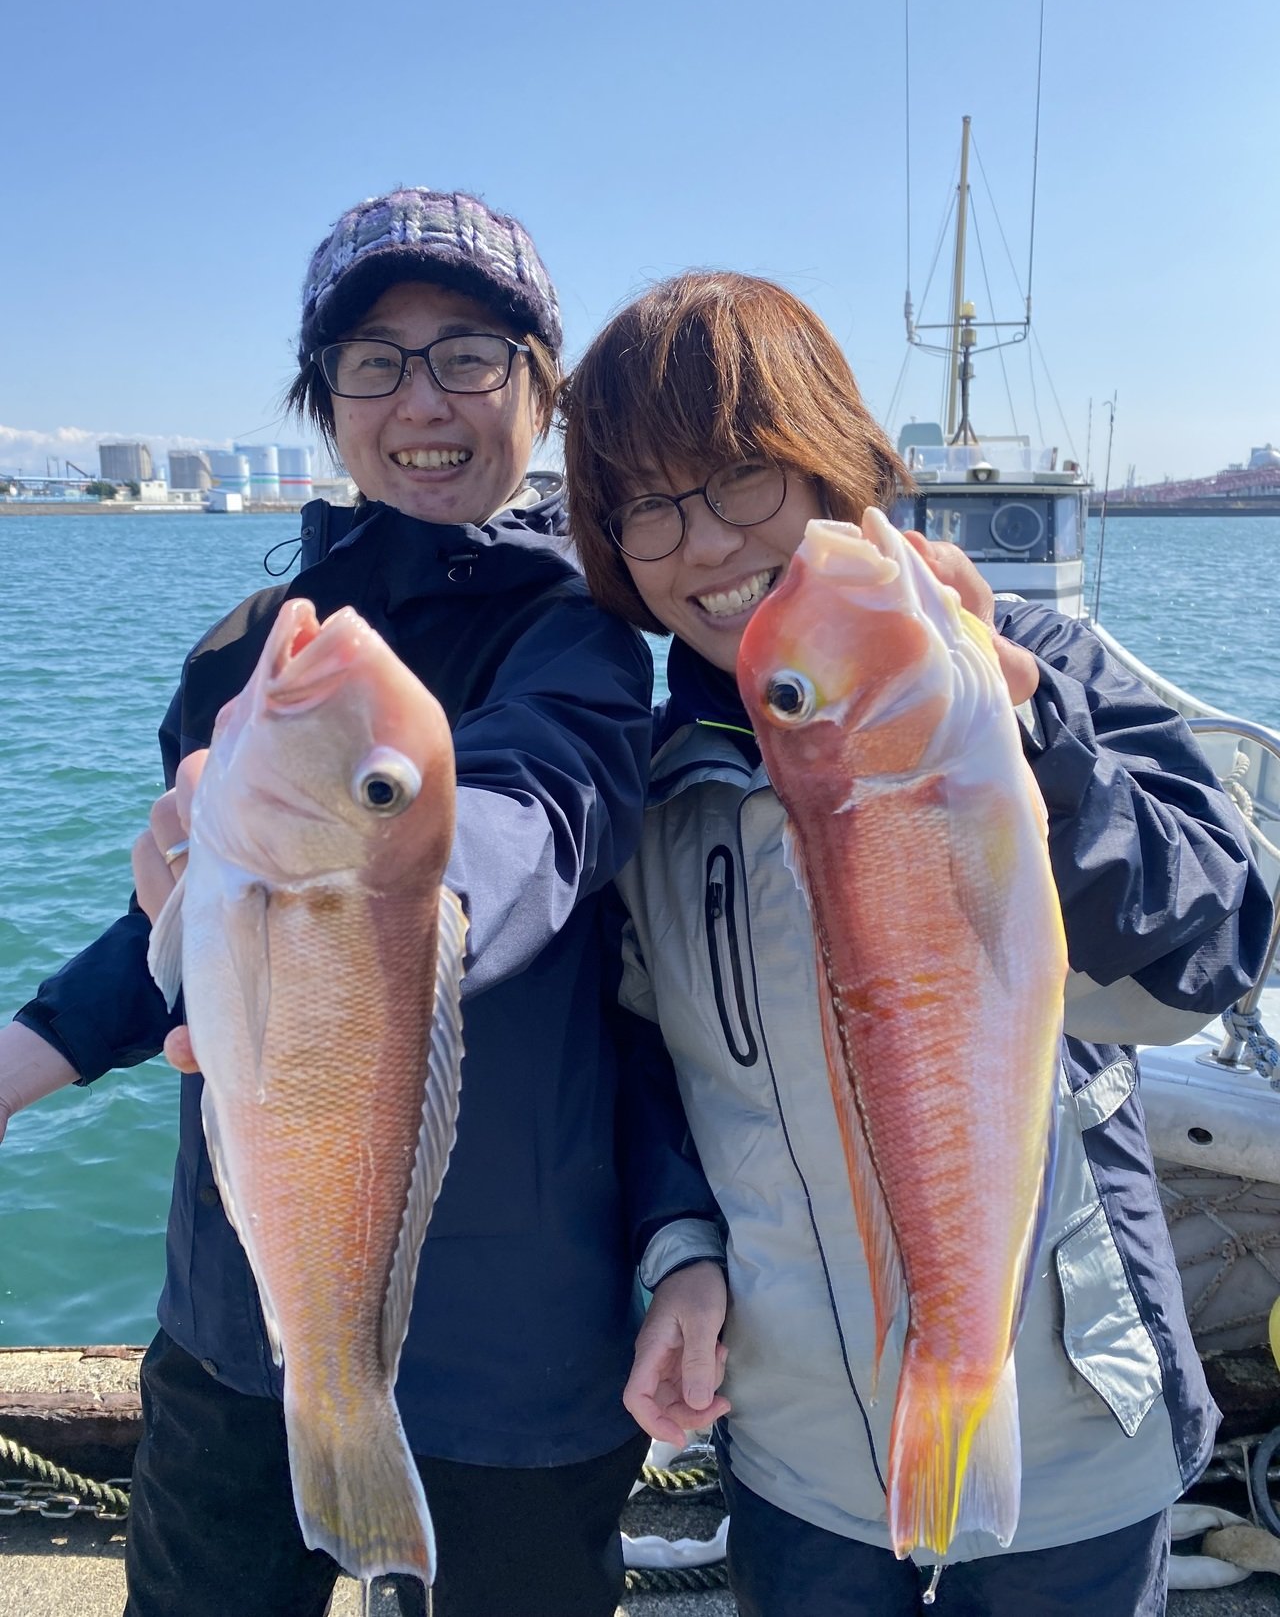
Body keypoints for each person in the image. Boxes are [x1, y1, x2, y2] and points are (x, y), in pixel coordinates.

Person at [0, 190, 725, 1617]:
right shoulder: (248, 657)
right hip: (239, 1314)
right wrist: (24, 1059)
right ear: (323, 399)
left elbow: (538, 818)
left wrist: (370, 884)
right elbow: (192, 934)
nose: (422, 399)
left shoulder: (579, 639)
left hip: (515, 1351)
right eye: (374, 361)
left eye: (470, 354)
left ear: (542, 391)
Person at [559, 269, 1274, 1616]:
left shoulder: (1038, 675)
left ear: (835, 457)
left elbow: (1213, 949)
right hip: (798, 1456)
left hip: (1077, 1436)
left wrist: (1037, 738)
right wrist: (677, 1248)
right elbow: (649, 1063)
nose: (704, 542)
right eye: (645, 505)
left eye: (740, 474)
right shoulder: (653, 792)